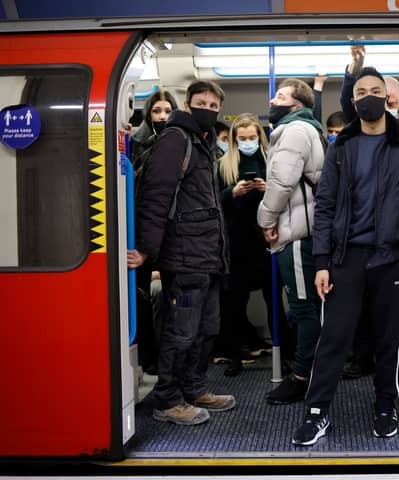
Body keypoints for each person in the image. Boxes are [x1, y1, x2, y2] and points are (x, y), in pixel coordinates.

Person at [292, 67, 399, 446]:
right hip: (346, 257)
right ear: (353, 100)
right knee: (334, 338)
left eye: (376, 90)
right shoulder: (341, 145)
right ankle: (317, 412)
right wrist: (322, 261)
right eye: (361, 91)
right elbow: (324, 206)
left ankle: (386, 406)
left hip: (393, 259)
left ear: (389, 97)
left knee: (389, 340)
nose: (369, 96)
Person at [127, 80, 236, 426]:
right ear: (187, 106)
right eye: (202, 103)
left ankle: (193, 387)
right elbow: (155, 197)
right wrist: (146, 249)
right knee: (182, 331)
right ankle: (168, 398)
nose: (208, 109)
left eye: (214, 105)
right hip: (185, 257)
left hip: (207, 258)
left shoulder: (201, 143)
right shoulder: (175, 140)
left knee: (207, 328)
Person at [257, 78, 325, 405]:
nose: (273, 100)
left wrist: (265, 219)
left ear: (295, 106)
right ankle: (309, 370)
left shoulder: (295, 130)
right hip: (301, 230)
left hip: (298, 235)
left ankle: (301, 377)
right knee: (306, 306)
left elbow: (282, 182)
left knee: (303, 307)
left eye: (280, 96)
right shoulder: (301, 129)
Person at [217, 113, 290, 377]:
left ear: (260, 136)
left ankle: (286, 357)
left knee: (275, 303)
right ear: (235, 140)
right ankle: (234, 356)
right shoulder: (224, 165)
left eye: (252, 137)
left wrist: (267, 189)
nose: (248, 142)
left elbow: (285, 196)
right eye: (243, 138)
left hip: (266, 241)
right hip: (237, 244)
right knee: (235, 305)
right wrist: (232, 193)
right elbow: (216, 202)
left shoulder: (272, 162)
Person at [129, 89, 178, 375]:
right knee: (143, 300)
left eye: (167, 111)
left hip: (172, 234)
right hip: (143, 231)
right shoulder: (135, 145)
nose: (162, 116)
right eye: (157, 111)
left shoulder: (180, 144)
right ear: (148, 114)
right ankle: (151, 360)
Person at [340, 45, 399, 138]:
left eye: (391, 104)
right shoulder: (365, 120)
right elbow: (347, 100)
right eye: (383, 103)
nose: (386, 109)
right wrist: (356, 64)